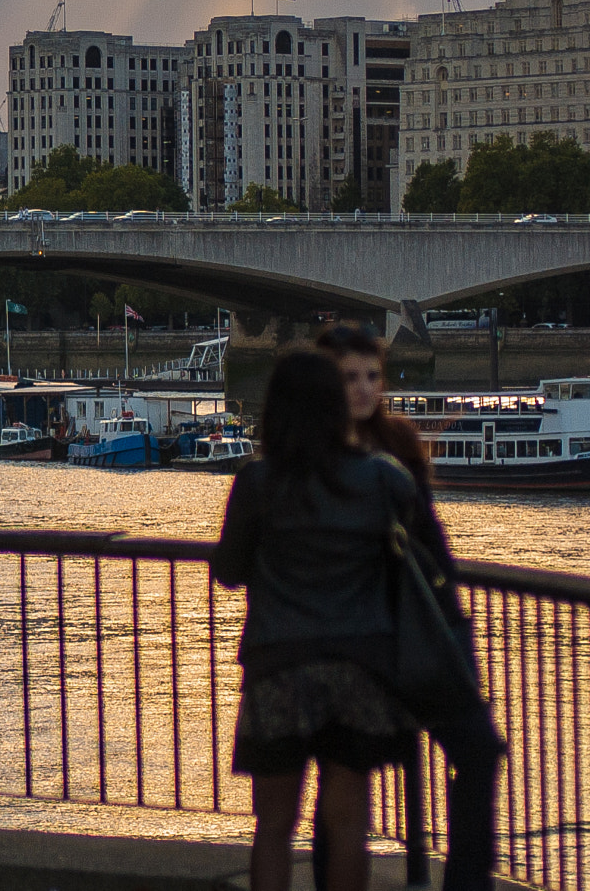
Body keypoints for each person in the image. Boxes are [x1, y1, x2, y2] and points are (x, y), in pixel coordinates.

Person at [211, 350, 419, 891]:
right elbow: (410, 566)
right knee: (348, 824)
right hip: (359, 665)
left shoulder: (256, 481)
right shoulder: (381, 479)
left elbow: (228, 571)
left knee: (275, 826)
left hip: (279, 664)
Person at [315, 326, 506, 891]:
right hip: (355, 649)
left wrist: (454, 626)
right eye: (350, 377)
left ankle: (466, 881)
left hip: (420, 640)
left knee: (479, 751)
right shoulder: (310, 457)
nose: (365, 389)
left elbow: (432, 545)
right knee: (344, 784)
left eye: (372, 376)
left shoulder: (398, 444)